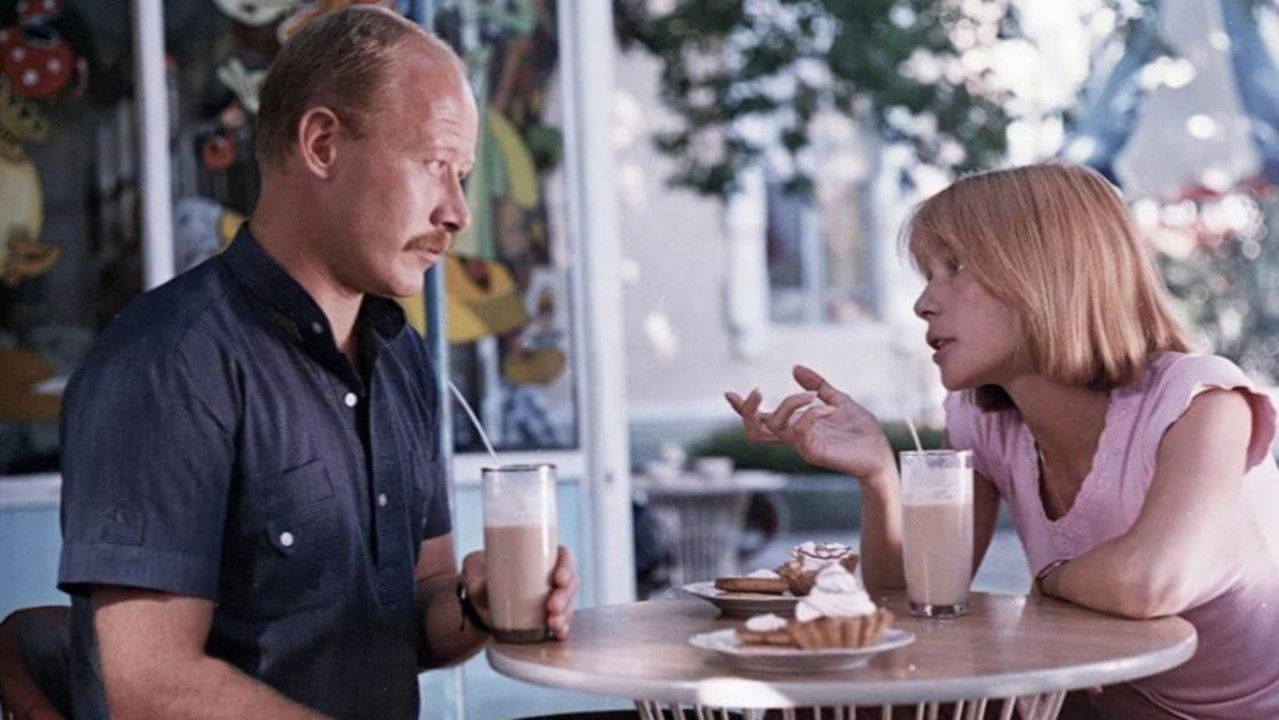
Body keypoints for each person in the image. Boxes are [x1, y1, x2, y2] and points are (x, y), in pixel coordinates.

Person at [57, 7, 576, 720]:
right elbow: (148, 685)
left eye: (462, 176)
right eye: (435, 165)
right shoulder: (169, 364)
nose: (458, 212)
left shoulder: (400, 358)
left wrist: (474, 604)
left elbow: (415, 608)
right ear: (323, 144)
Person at [726, 162, 1279, 718]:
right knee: (816, 705)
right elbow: (919, 600)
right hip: (1100, 701)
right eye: (927, 274)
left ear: (1049, 273)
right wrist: (878, 473)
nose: (923, 303)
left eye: (955, 268)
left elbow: (1151, 584)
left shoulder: (1201, 401)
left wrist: (1052, 580)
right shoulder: (985, 421)